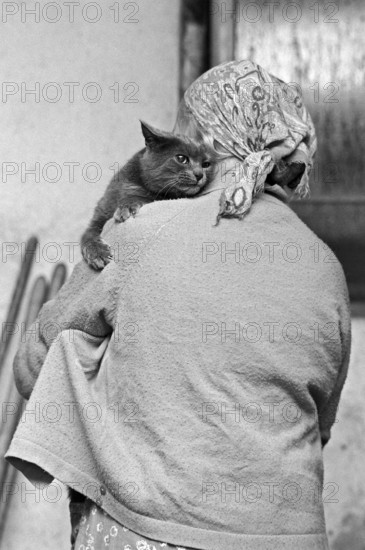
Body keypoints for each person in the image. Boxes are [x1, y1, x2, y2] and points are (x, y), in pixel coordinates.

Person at [6, 60, 351, 550]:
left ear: (207, 135)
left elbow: (32, 368)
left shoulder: (144, 232)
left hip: (152, 531)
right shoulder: (326, 267)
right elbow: (320, 422)